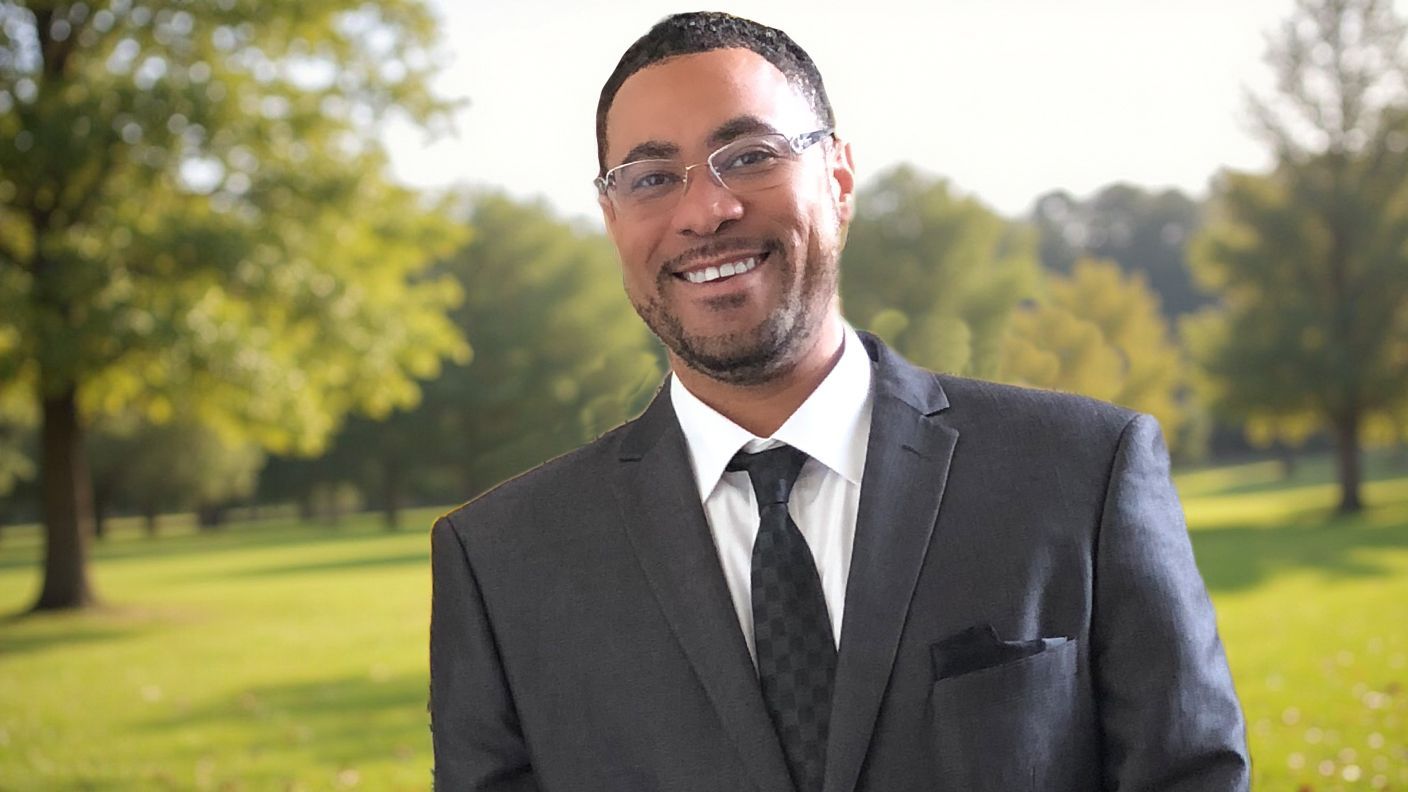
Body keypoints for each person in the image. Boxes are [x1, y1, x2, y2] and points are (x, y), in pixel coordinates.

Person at [430, 11, 1250, 791]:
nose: (706, 211)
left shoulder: (1080, 475)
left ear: (840, 179)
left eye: (748, 156)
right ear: (612, 217)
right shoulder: (500, 562)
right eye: (651, 178)